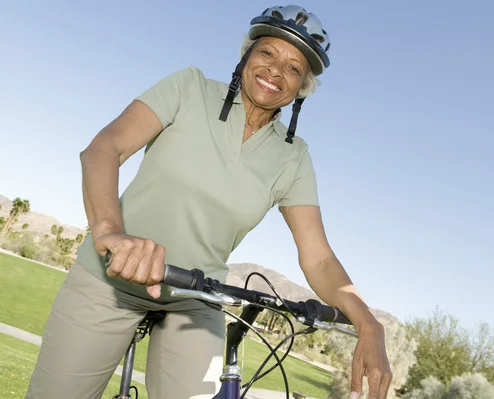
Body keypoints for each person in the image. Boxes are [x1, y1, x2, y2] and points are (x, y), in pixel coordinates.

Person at [26, 5, 392, 399]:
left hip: (195, 300)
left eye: (293, 68)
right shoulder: (189, 87)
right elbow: (104, 149)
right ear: (247, 55)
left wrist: (370, 325)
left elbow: (318, 257)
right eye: (268, 53)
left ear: (301, 87)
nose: (275, 70)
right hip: (108, 279)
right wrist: (111, 232)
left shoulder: (294, 157)